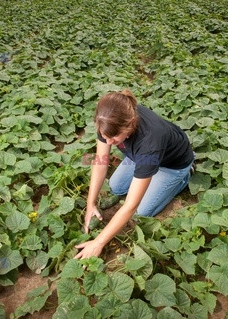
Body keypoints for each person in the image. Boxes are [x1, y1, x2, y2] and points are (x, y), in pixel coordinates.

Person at [74, 89, 195, 260]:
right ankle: (147, 171)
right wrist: (90, 203)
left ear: (130, 124)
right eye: (104, 136)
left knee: (140, 211)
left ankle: (184, 176)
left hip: (171, 165)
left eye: (114, 138)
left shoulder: (150, 143)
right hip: (140, 157)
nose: (108, 142)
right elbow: (101, 161)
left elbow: (130, 205)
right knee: (115, 187)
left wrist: (98, 242)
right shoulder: (107, 122)